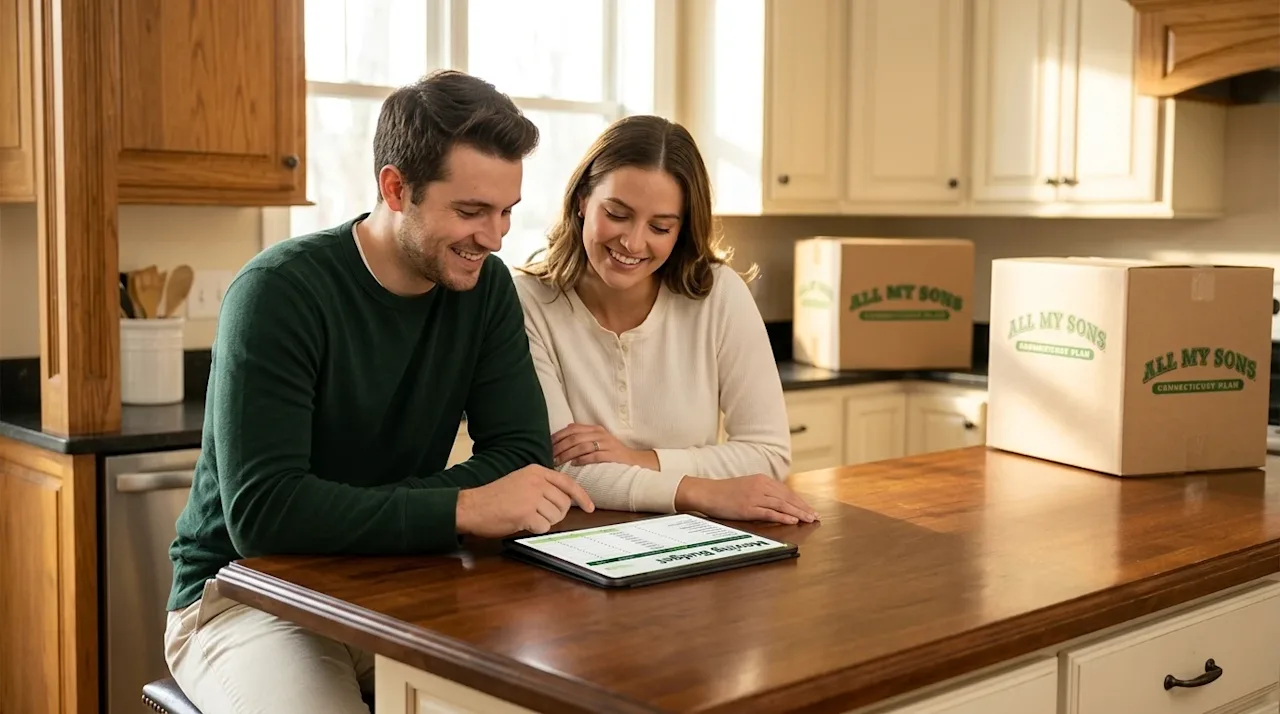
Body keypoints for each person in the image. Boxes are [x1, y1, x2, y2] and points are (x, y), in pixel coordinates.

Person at [162, 70, 594, 714]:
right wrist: (464, 508)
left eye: (507, 211)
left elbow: (522, 458)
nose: (495, 237)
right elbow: (265, 518)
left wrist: (356, 510)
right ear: (396, 188)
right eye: (471, 211)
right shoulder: (277, 293)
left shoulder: (487, 290)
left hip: (392, 581)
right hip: (245, 596)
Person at [513, 115, 817, 525]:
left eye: (660, 226)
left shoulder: (718, 295)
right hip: (577, 541)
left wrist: (641, 460)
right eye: (617, 214)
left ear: (681, 230)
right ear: (583, 199)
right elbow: (560, 469)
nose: (633, 242)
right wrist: (700, 490)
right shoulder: (528, 301)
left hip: (697, 540)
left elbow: (768, 455)